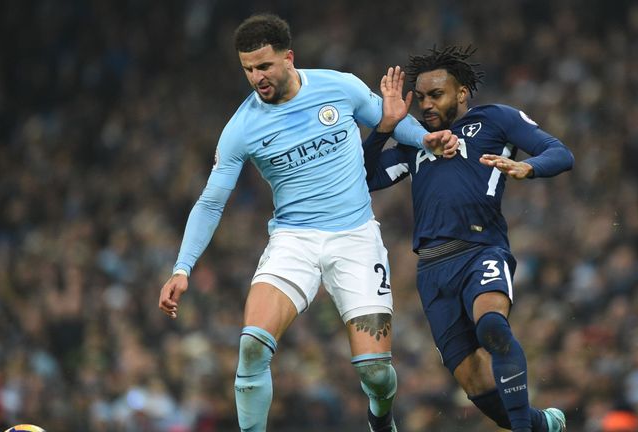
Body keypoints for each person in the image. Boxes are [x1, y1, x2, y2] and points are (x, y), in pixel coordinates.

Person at [157, 14, 458, 432]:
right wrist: (182, 268)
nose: (256, 77)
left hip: (355, 237)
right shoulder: (241, 129)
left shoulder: (340, 86)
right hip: (292, 240)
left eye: (264, 66)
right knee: (251, 347)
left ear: (288, 57)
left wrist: (424, 138)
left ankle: (381, 416)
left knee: (375, 373)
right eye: (247, 69)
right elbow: (211, 202)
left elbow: (393, 120)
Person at [363, 46, 574, 432]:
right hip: (431, 270)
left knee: (491, 326)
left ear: (461, 93)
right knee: (476, 385)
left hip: (481, 250)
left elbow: (559, 152)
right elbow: (363, 178)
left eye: (436, 95)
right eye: (421, 96)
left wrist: (528, 166)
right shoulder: (416, 143)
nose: (426, 104)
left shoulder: (494, 120)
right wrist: (384, 129)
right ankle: (543, 425)